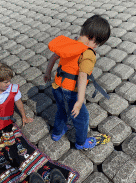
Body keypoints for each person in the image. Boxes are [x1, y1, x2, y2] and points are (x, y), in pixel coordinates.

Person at [43, 15, 110, 150]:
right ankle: (81, 143)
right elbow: (82, 76)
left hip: (57, 86)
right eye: (97, 44)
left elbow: (54, 57)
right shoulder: (88, 53)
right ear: (93, 39)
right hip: (72, 92)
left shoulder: (69, 43)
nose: (96, 47)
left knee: (61, 110)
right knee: (82, 118)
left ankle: (56, 134)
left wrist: (47, 72)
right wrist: (79, 101)